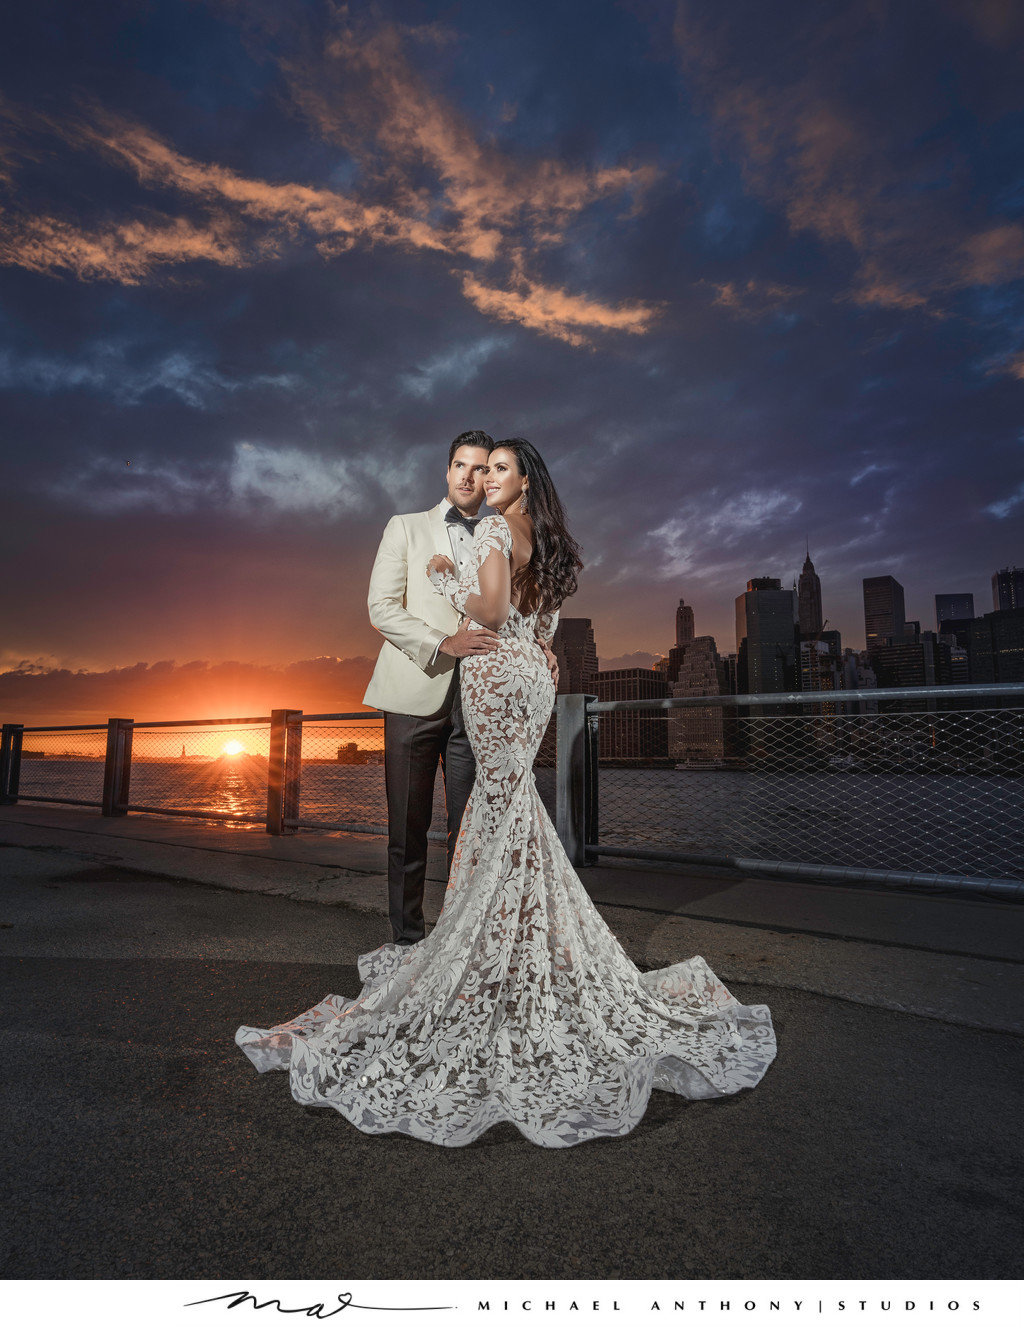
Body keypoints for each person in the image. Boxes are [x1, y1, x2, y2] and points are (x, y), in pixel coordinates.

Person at [237, 439, 776, 1147]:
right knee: (509, 811)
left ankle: (480, 949)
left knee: (496, 810)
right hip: (520, 676)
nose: (483, 476)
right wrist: (528, 644)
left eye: (496, 467)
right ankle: (497, 939)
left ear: (523, 480)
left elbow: (488, 612)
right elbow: (527, 622)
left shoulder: (493, 528)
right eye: (475, 466)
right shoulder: (536, 538)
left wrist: (448, 582)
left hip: (490, 678)